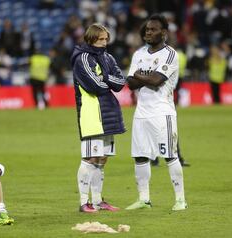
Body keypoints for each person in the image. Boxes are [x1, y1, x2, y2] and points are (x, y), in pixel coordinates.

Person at [125, 14, 187, 211]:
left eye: (153, 29)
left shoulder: (170, 54)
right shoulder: (138, 54)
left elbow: (156, 81)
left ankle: (180, 200)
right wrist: (145, 76)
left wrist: (140, 75)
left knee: (170, 155)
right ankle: (144, 199)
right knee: (140, 157)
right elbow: (130, 83)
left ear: (164, 33)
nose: (148, 32)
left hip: (163, 113)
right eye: (146, 30)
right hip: (141, 113)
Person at [70, 23, 126, 213]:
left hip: (108, 112)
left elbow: (121, 82)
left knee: (102, 158)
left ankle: (98, 200)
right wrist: (107, 80)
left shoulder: (108, 57)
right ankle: (84, 202)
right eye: (100, 39)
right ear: (91, 38)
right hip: (91, 113)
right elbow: (95, 86)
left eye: (105, 39)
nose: (103, 43)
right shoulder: (83, 58)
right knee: (90, 157)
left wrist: (105, 77)